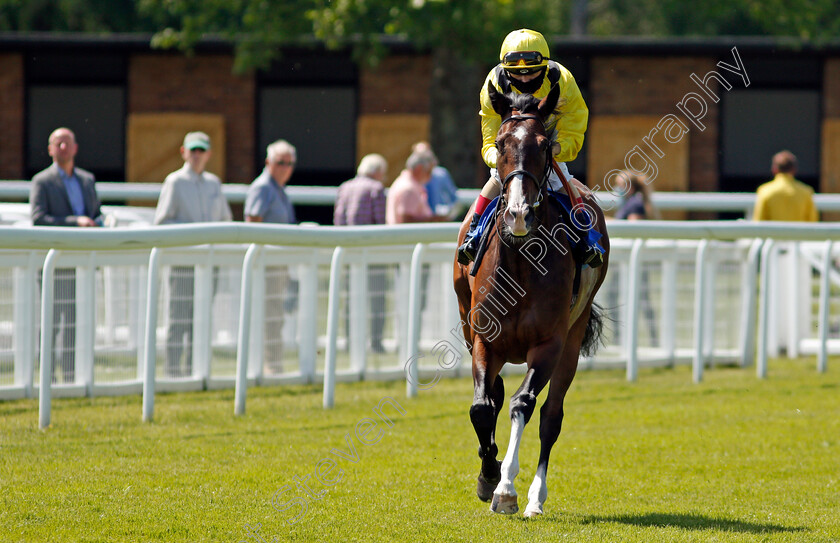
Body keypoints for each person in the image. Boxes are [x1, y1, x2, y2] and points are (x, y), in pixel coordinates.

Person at [457, 28, 602, 268]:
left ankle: (587, 239)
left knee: (562, 179)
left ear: (544, 67)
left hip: (546, 140)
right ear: (506, 71)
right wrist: (498, 156)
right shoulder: (494, 82)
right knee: (494, 179)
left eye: (532, 73)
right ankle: (473, 234)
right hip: (510, 145)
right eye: (517, 74)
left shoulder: (562, 80)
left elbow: (574, 124)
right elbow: (490, 132)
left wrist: (555, 150)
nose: (524, 80)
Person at [154, 131, 232, 377]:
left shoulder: (214, 184)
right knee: (178, 318)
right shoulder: (174, 182)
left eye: (201, 150)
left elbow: (225, 220)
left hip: (209, 264)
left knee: (201, 318)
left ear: (208, 154)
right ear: (184, 152)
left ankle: (196, 370)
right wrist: (193, 237)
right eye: (193, 150)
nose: (197, 155)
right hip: (183, 263)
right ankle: (173, 371)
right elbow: (162, 222)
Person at [30, 127, 103, 383]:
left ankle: (70, 375)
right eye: (57, 144)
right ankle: (48, 376)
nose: (63, 148)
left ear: (75, 148)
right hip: (55, 262)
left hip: (82, 262)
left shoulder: (87, 180)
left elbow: (96, 213)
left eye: (67, 143)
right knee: (52, 320)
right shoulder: (42, 181)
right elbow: (39, 220)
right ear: (50, 149)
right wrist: (76, 223)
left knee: (74, 320)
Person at [245, 140, 297, 372]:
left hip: (280, 263)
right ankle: (271, 365)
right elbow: (252, 222)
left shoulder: (279, 188)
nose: (285, 167)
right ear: (268, 162)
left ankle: (274, 363)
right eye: (280, 162)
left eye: (289, 163)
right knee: (271, 314)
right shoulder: (263, 187)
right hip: (267, 264)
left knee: (277, 313)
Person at [334, 153, 389, 353]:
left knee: (350, 299)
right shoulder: (376, 189)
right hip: (372, 253)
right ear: (377, 172)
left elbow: (338, 219)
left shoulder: (344, 187)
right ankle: (375, 342)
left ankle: (349, 340)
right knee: (377, 299)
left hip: (349, 251)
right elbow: (381, 221)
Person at [613, 170, 658, 347]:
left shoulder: (635, 204)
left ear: (629, 187)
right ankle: (618, 339)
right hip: (624, 261)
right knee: (616, 296)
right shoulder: (630, 202)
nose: (617, 190)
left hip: (633, 261)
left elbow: (634, 227)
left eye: (620, 186)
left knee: (642, 299)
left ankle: (652, 339)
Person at [386, 148, 448, 225]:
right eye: (429, 172)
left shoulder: (405, 182)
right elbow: (406, 220)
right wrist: (434, 219)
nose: (431, 176)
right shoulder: (408, 188)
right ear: (419, 169)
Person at [753, 150, 818, 222]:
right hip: (798, 233)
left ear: (774, 169)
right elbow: (812, 222)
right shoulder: (806, 192)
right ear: (794, 170)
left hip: (773, 233)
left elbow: (758, 221)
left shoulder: (765, 191)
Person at [411, 141, 458, 217]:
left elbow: (453, 198)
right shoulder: (411, 179)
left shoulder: (441, 174)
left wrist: (447, 212)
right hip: (421, 221)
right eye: (420, 156)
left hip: (439, 220)